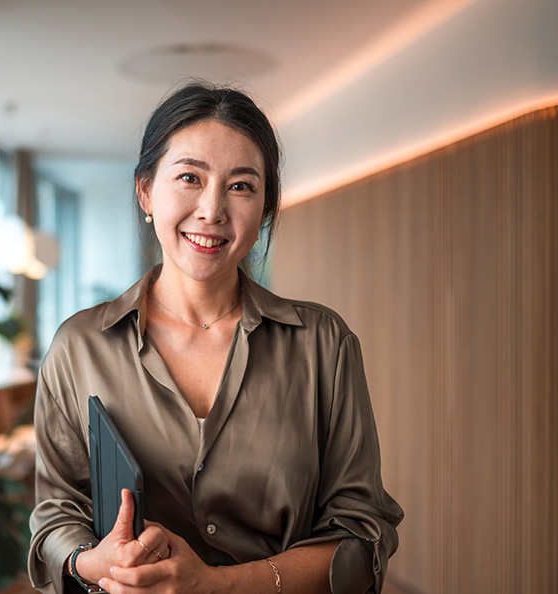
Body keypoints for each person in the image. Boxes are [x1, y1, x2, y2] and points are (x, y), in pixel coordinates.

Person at [28, 82, 403, 594]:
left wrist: (216, 584)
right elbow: (55, 515)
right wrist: (92, 562)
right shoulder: (78, 347)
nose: (212, 210)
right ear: (145, 191)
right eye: (189, 177)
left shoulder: (324, 345)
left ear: (265, 206)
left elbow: (363, 537)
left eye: (241, 186)